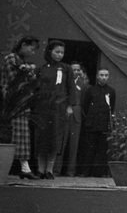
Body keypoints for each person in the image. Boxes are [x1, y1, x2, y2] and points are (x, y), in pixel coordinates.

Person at [30, 40, 76, 179]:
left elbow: (71, 88)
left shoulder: (66, 68)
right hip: (42, 109)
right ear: (50, 51)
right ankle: (40, 169)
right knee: (41, 140)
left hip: (58, 109)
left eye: (62, 52)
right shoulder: (41, 69)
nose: (59, 55)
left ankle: (49, 170)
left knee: (54, 140)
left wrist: (69, 106)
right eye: (57, 52)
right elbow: (35, 89)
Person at [0, 35, 40, 179]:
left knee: (22, 134)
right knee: (10, 136)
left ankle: (25, 168)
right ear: (23, 45)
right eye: (31, 48)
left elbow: (32, 81)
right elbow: (15, 80)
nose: (32, 52)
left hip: (20, 101)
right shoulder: (11, 58)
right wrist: (28, 71)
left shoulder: (23, 63)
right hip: (9, 103)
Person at [54, 61, 88, 176]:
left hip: (76, 116)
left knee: (74, 144)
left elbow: (84, 101)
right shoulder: (64, 82)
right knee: (61, 143)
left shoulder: (83, 83)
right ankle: (56, 170)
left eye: (78, 69)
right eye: (74, 69)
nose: (76, 72)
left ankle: (71, 171)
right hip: (64, 114)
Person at [80, 68, 115, 177]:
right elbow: (85, 106)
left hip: (104, 124)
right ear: (97, 76)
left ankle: (100, 173)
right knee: (89, 149)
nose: (104, 77)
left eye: (106, 75)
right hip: (92, 124)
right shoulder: (90, 90)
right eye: (101, 75)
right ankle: (85, 172)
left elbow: (112, 107)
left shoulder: (111, 91)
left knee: (102, 150)